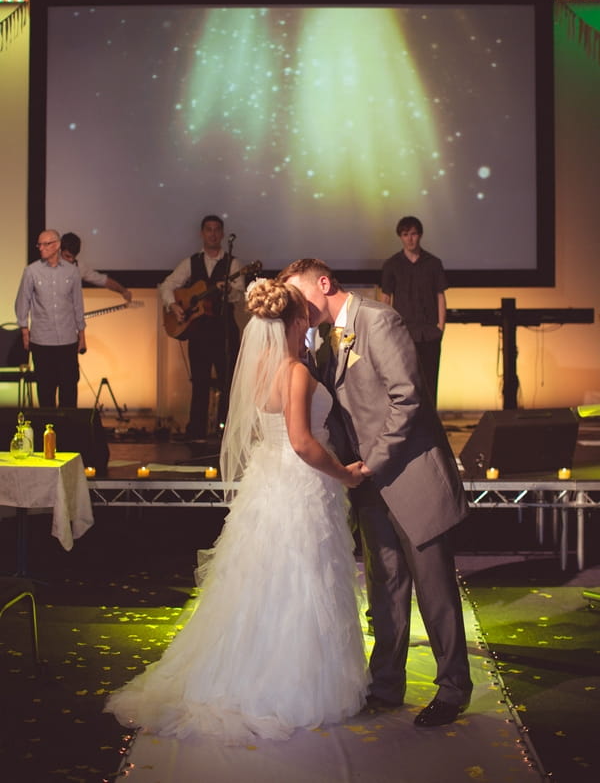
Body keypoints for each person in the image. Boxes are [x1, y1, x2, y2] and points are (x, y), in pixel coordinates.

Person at [105, 279, 368, 743]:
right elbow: (304, 444)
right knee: (303, 579)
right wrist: (346, 474)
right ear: (295, 320)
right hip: (302, 484)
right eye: (305, 311)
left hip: (268, 483)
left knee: (263, 580)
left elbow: (263, 434)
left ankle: (242, 673)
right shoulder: (296, 372)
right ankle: (292, 684)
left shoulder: (259, 369)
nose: (311, 316)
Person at [279, 258, 472, 727]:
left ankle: (453, 689)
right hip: (366, 483)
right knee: (384, 588)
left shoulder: (379, 320)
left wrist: (372, 462)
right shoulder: (324, 339)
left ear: (324, 283)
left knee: (435, 588)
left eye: (299, 296)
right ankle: (386, 683)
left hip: (409, 473)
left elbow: (409, 397)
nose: (297, 308)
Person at [159, 216, 244, 440]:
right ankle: (196, 432)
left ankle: (225, 432)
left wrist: (227, 290)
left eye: (217, 230)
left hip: (225, 330)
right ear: (202, 233)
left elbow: (239, 294)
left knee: (228, 382)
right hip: (199, 332)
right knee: (199, 382)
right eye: (209, 230)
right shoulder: (191, 262)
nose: (213, 234)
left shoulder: (233, 264)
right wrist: (173, 305)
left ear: (223, 234)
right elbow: (168, 284)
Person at [380, 216, 447, 408]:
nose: (410, 239)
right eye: (405, 234)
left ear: (420, 235)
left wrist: (441, 327)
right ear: (400, 237)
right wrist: (386, 330)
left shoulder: (433, 263)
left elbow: (440, 295)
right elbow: (386, 299)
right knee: (405, 381)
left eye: (414, 234)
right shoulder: (392, 265)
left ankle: (431, 427)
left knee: (430, 380)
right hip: (403, 332)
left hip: (429, 332)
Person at [15, 229, 86, 407]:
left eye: (45, 244)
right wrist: (25, 332)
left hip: (68, 340)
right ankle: (47, 432)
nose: (40, 248)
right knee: (46, 391)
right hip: (42, 341)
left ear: (56, 245)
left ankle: (67, 433)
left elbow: (78, 305)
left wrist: (82, 337)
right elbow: (22, 302)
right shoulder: (32, 271)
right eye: (39, 244)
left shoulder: (72, 272)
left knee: (69, 390)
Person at [60, 232, 132, 301]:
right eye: (67, 256)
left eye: (74, 257)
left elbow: (104, 281)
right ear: (60, 250)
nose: (71, 260)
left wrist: (123, 291)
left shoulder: (79, 267)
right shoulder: (49, 264)